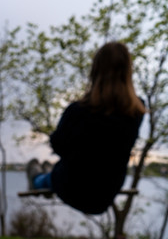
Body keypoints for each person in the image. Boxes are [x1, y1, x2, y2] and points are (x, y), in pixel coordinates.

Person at [26, 42, 145, 214]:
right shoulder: (136, 111)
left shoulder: (77, 111)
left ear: (95, 71)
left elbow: (58, 146)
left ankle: (37, 178)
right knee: (70, 168)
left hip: (74, 190)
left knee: (48, 177)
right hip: (106, 193)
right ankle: (48, 172)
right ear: (128, 72)